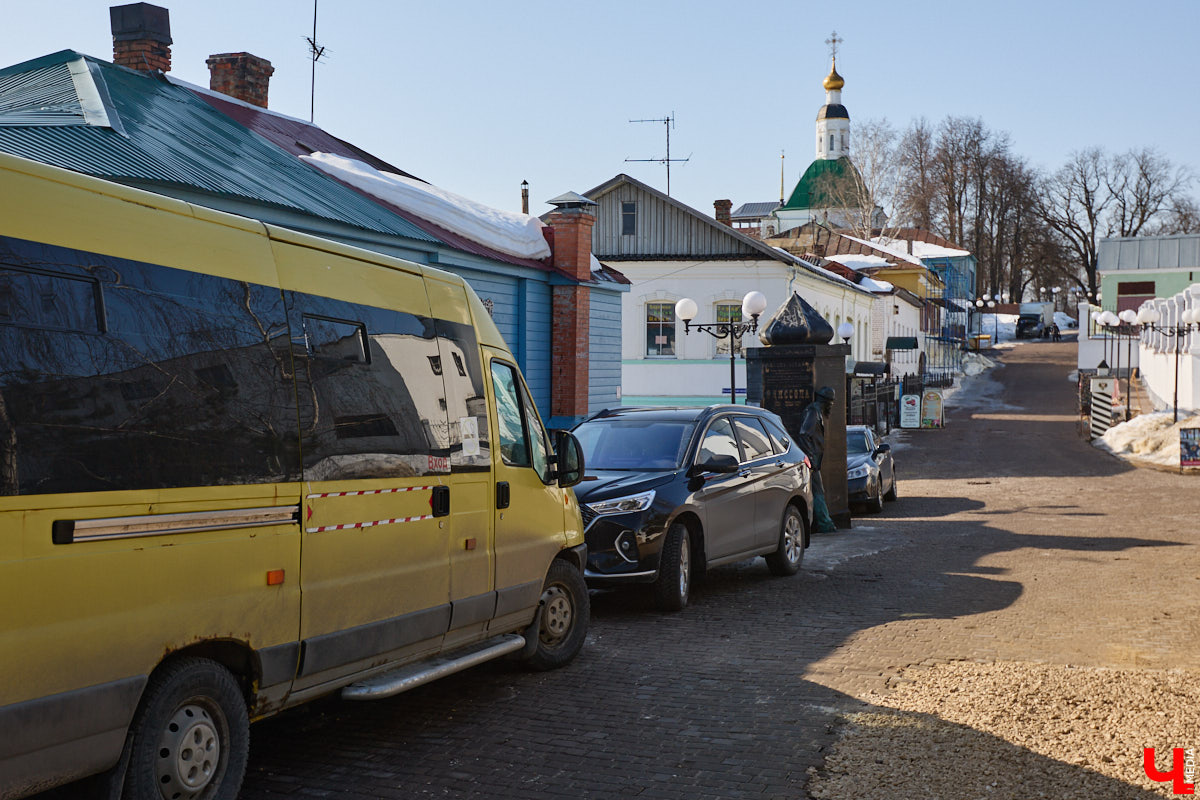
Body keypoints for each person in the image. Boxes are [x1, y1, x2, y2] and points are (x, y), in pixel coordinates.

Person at [795, 385, 838, 533]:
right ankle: (825, 523)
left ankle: (820, 522)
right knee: (818, 492)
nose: (832, 406)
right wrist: (811, 459)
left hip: (813, 461)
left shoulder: (817, 412)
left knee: (816, 491)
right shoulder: (813, 412)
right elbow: (804, 434)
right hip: (810, 461)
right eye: (831, 402)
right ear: (826, 402)